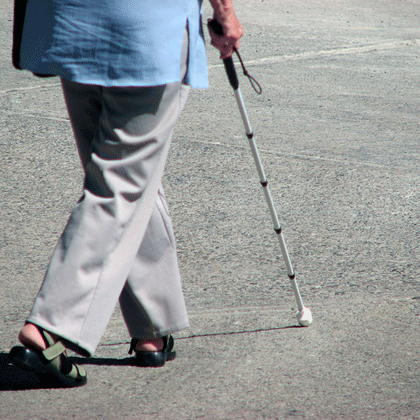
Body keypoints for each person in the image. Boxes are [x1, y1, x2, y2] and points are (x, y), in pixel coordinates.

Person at [9, 0, 243, 387]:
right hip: (144, 28)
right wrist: (225, 12)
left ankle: (151, 327)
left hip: (71, 22)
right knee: (120, 186)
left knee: (124, 176)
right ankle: (47, 330)